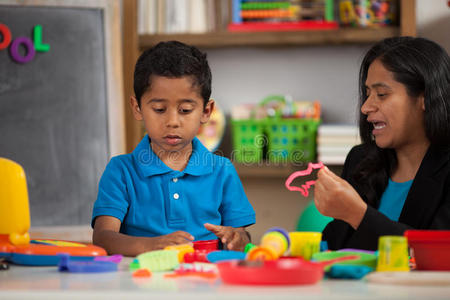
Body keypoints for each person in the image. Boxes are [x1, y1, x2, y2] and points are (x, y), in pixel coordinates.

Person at [91, 41, 255, 256]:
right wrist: (150, 246)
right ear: (137, 108)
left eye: (185, 110)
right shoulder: (121, 171)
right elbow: (103, 238)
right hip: (139, 281)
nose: (172, 121)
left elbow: (241, 237)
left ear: (206, 111)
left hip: (206, 282)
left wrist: (237, 239)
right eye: (159, 109)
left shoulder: (222, 171)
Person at [314, 36, 450, 251]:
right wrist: (279, 241)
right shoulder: (360, 160)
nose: (366, 107)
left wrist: (357, 214)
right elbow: (333, 247)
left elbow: (440, 253)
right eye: (367, 94)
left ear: (425, 97)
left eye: (382, 94)